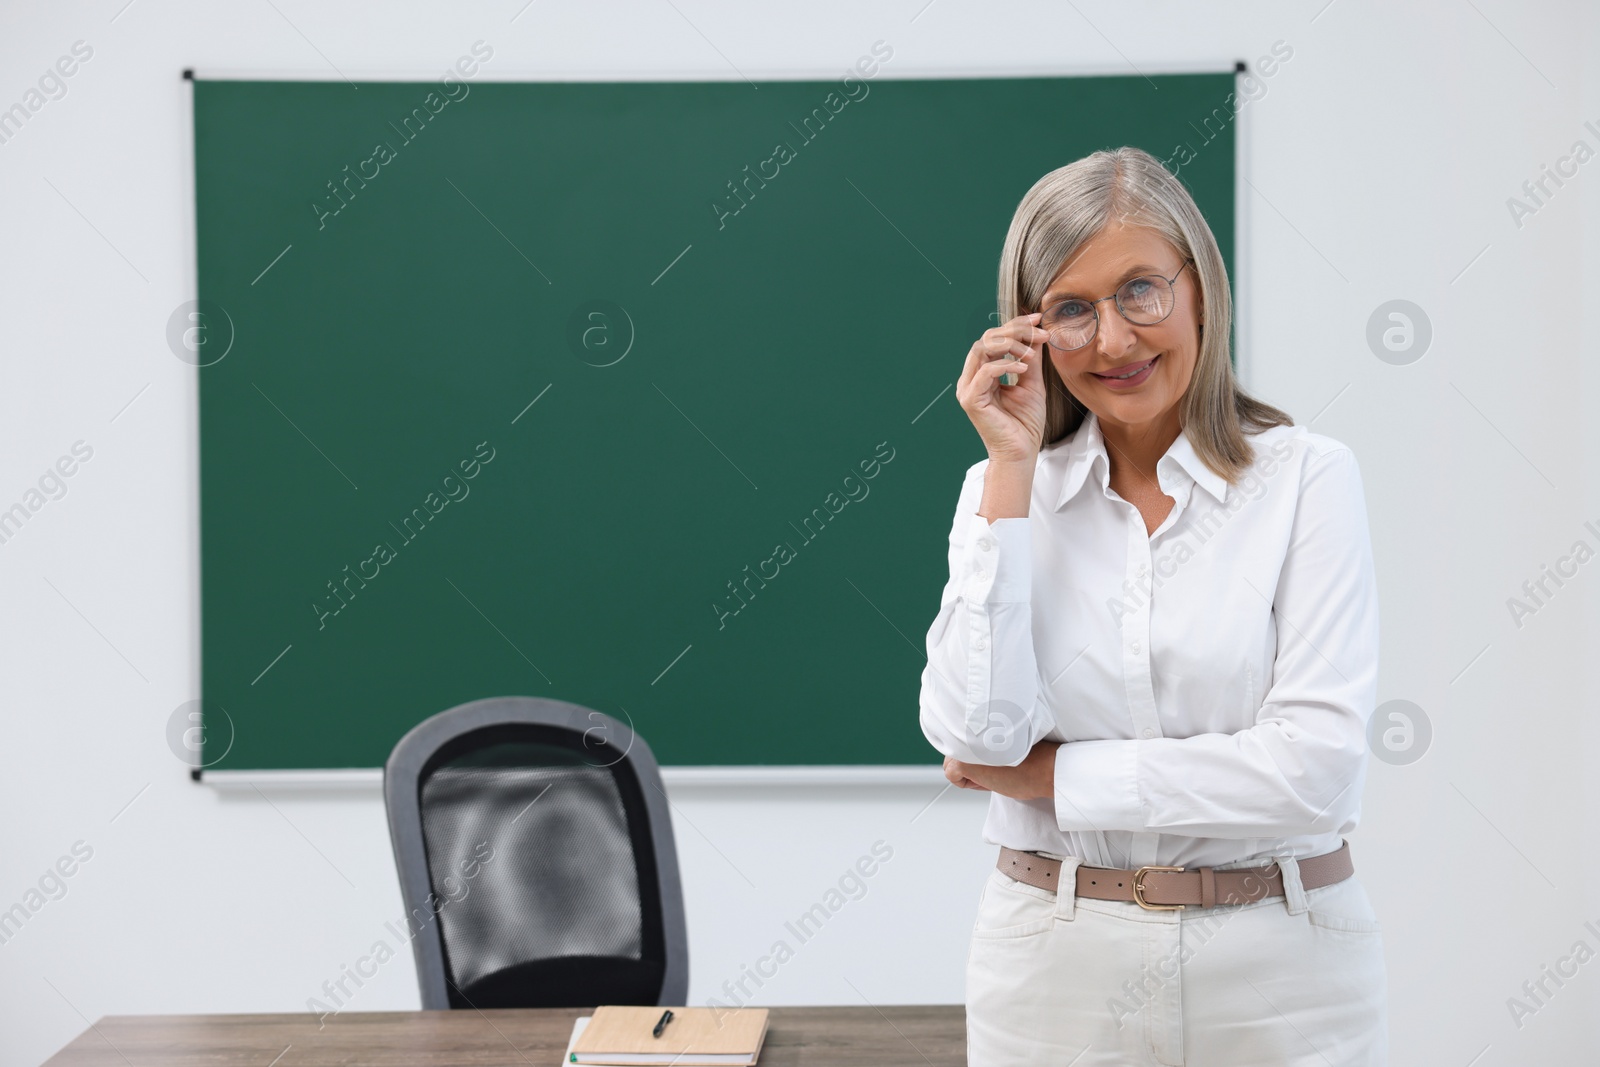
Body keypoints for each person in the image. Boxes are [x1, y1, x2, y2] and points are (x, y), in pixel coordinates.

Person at [918, 145, 1388, 1065]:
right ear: (1031, 330)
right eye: (1072, 310)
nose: (1115, 341)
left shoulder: (1308, 481)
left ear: (1199, 287)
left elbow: (1315, 768)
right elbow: (976, 734)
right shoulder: (1002, 490)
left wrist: (1055, 778)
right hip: (1053, 965)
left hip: (1283, 970)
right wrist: (1011, 470)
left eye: (1141, 290)